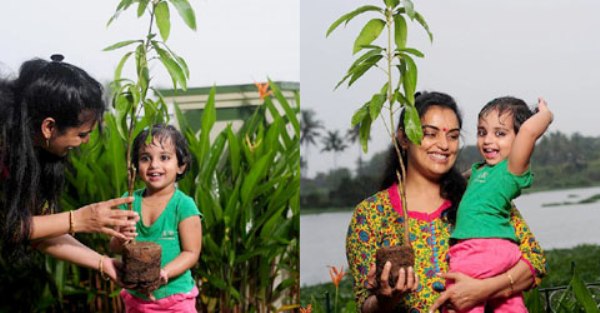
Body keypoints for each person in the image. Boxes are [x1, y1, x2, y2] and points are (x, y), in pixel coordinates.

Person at [345, 91, 547, 313]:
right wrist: (386, 299)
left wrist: (482, 290)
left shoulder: (475, 198)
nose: (444, 145)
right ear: (404, 139)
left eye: (452, 136)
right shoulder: (371, 214)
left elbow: (534, 261)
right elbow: (365, 305)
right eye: (430, 134)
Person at [0, 55, 139, 282]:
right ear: (49, 127)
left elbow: (35, 230)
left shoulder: (31, 151)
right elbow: (10, 227)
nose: (84, 142)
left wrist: (103, 263)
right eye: (81, 134)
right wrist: (80, 219)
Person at [444, 97, 552, 313]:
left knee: (461, 298)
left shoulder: (511, 170)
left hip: (478, 250)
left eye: (500, 133)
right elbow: (464, 182)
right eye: (482, 132)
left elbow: (529, 131)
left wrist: (545, 115)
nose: (487, 140)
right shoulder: (481, 170)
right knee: (509, 306)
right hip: (503, 253)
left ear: (519, 140)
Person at [110, 124, 202, 312]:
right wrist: (121, 238)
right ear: (136, 166)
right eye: (145, 158)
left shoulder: (183, 205)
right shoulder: (129, 201)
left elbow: (191, 253)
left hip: (175, 299)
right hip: (137, 300)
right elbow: (113, 246)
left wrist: (164, 273)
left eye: (164, 157)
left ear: (181, 166)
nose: (154, 165)